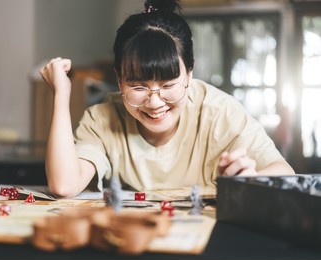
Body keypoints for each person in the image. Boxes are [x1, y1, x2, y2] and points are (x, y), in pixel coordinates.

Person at [40, 0, 295, 198]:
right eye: (138, 86)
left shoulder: (219, 112)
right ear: (119, 79)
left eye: (169, 85)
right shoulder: (102, 119)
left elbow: (285, 174)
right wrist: (61, 94)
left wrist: (253, 180)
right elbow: (63, 185)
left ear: (190, 73)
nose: (154, 103)